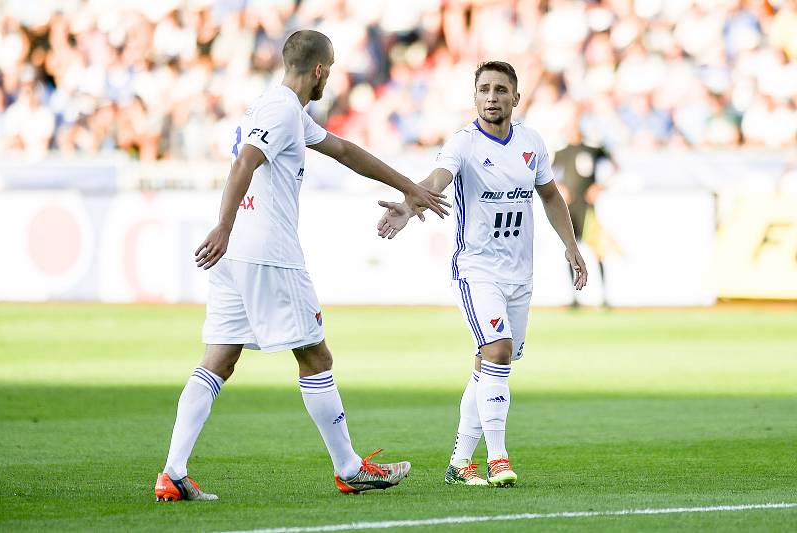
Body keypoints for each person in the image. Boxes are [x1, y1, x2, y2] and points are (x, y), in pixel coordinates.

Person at [154, 30, 450, 501]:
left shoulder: (277, 108)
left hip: (238, 255)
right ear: (319, 70)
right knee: (316, 356)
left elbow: (346, 151)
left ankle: (172, 472)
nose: (328, 80)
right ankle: (350, 468)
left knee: (219, 359)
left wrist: (409, 187)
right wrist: (223, 226)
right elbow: (244, 164)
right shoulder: (279, 110)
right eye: (328, 72)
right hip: (267, 251)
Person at [376, 61, 587, 487]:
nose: (491, 97)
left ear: (516, 97)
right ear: (475, 98)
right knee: (499, 350)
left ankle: (459, 463)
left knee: (489, 364)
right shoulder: (463, 144)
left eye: (500, 90)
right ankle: (498, 459)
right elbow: (439, 177)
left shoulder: (531, 142)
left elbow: (549, 194)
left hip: (519, 274)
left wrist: (571, 245)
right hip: (476, 270)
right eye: (484, 90)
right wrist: (411, 203)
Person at [553, 120, 613, 308]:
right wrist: (560, 188)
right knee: (571, 252)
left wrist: (600, 185)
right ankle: (574, 297)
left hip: (588, 208)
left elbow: (614, 166)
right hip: (570, 209)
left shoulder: (593, 149)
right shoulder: (561, 153)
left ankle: (604, 296)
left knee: (598, 252)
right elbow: (549, 174)